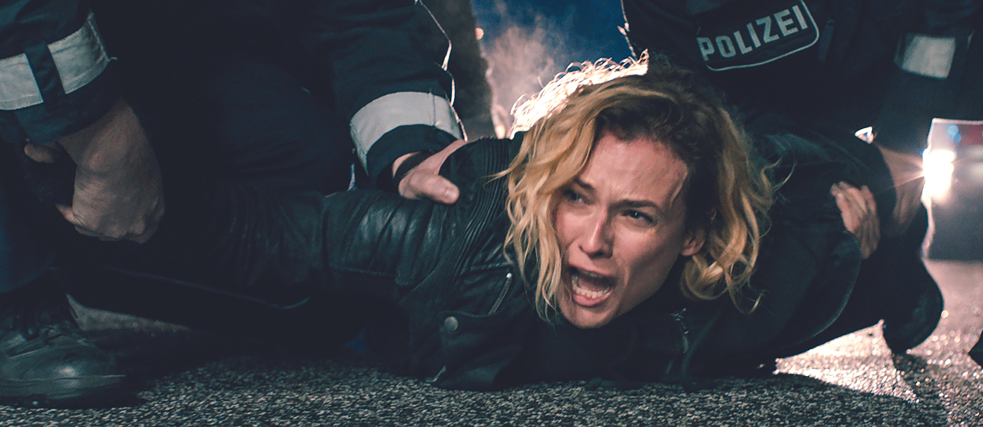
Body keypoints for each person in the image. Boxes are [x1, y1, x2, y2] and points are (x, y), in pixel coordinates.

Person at [67, 56, 916, 393]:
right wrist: (107, 199)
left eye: (634, 215)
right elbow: (274, 235)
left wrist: (870, 224)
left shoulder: (775, 267)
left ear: (694, 234)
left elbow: (811, 161)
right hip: (364, 314)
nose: (591, 240)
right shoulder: (461, 238)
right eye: (575, 197)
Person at [0, 0, 469, 407]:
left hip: (131, 35)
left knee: (313, 172)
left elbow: (365, 12)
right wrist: (98, 135)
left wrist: (411, 151)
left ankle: (63, 223)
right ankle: (16, 285)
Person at [618, 0, 983, 353]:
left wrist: (903, 136)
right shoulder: (656, 7)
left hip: (900, 54)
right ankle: (890, 274)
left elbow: (948, 9)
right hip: (770, 106)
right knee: (781, 219)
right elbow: (695, 107)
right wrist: (815, 190)